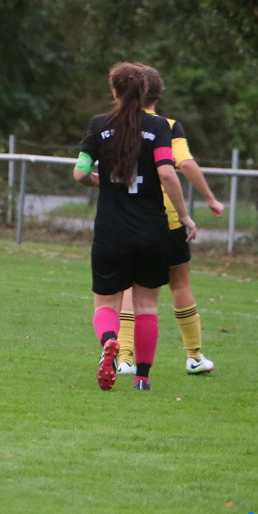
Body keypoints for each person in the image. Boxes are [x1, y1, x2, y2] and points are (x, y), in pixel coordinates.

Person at [73, 62, 196, 392]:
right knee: (146, 307)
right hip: (152, 232)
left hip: (111, 232)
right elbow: (168, 173)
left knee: (105, 304)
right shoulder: (158, 126)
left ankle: (111, 341)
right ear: (144, 92)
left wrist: (96, 180)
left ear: (114, 91)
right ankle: (142, 377)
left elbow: (80, 172)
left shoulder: (99, 126)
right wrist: (184, 215)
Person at [117, 66, 224, 376]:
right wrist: (209, 198)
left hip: (127, 217)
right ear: (158, 93)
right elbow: (184, 163)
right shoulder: (167, 126)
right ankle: (193, 356)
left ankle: (124, 358)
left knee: (128, 287)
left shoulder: (115, 124)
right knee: (180, 283)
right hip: (166, 218)